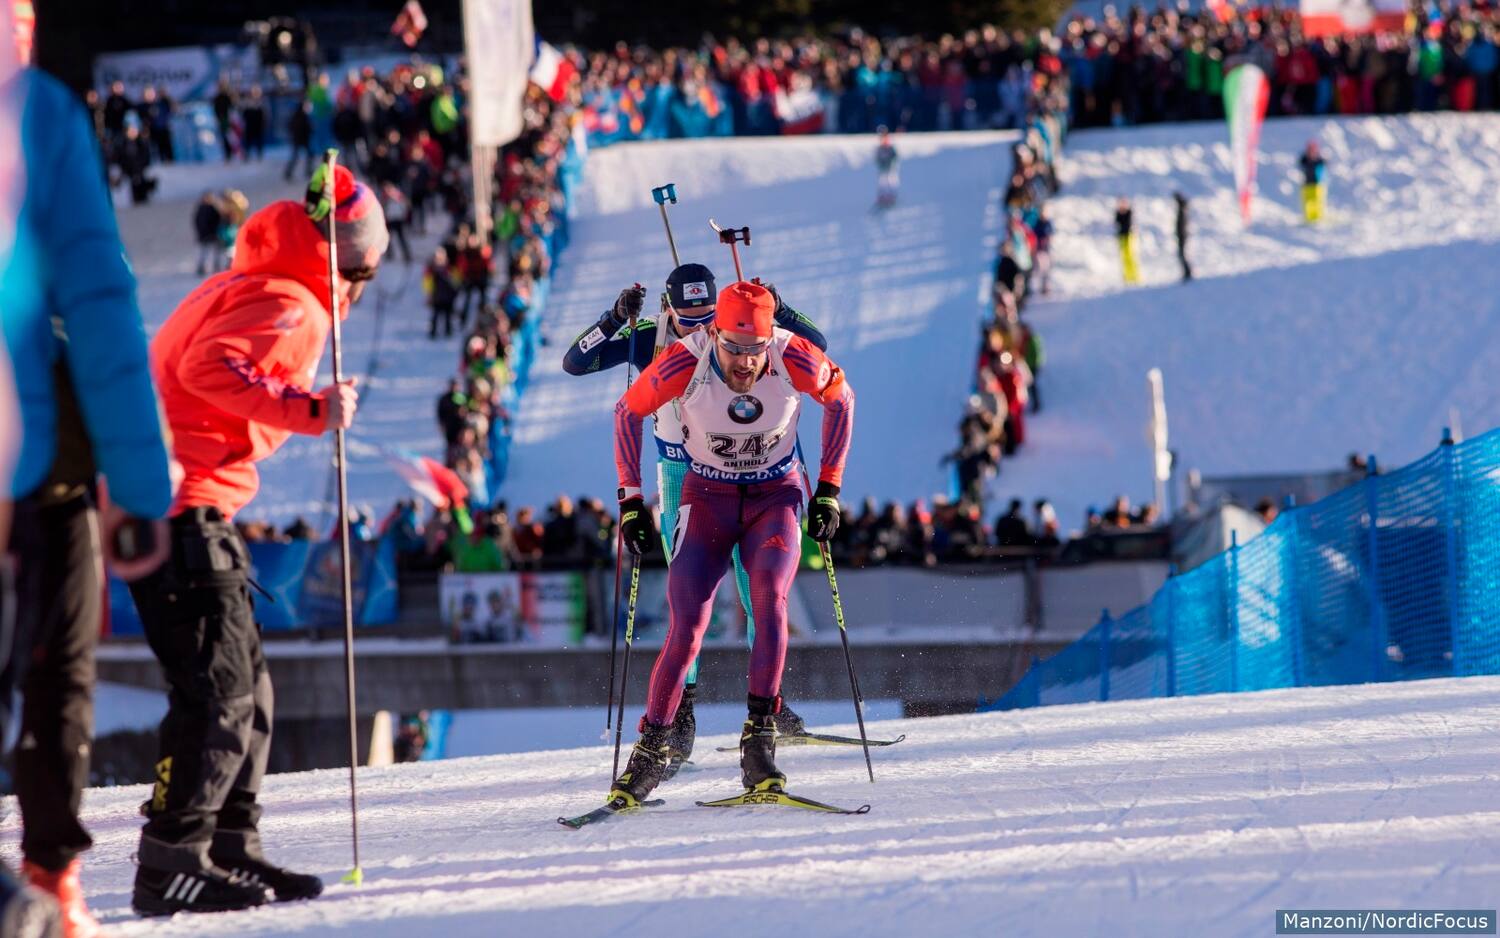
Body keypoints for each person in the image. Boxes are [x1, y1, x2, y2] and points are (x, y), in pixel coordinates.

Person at [126, 163, 387, 915]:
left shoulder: (253, 282)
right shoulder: (290, 300)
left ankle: (229, 840)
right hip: (179, 508)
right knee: (220, 692)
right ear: (349, 256)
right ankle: (173, 859)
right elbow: (209, 367)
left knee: (250, 689)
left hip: (184, 505)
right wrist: (312, 409)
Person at [3, 13, 177, 934]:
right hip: (41, 465)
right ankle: (50, 874)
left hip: (44, 458)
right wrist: (141, 489)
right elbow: (102, 306)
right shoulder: (38, 115)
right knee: (57, 676)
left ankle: (46, 876)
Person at [562, 263, 828, 771]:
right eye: (687, 319)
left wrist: (779, 308)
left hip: (744, 470)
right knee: (690, 603)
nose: (698, 328)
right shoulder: (650, 336)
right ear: (668, 310)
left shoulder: (732, 336)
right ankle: (681, 716)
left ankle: (769, 707)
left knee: (759, 591)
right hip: (679, 471)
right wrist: (613, 318)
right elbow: (576, 362)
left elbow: (818, 348)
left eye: (706, 316)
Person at [608, 281, 854, 807]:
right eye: (734, 349)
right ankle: (651, 752)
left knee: (769, 598)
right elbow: (627, 412)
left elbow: (842, 399)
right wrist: (630, 502)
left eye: (755, 349)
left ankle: (760, 742)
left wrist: (829, 490)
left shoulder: (791, 355)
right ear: (715, 334)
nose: (745, 363)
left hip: (774, 496)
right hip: (708, 497)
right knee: (687, 624)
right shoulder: (686, 359)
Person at [424, 246, 461, 338]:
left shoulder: (450, 269)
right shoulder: (432, 270)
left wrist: (452, 278)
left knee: (448, 316)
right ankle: (433, 332)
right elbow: (427, 283)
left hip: (448, 297)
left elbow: (457, 281)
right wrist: (429, 294)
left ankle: (448, 332)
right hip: (437, 297)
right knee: (435, 316)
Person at [284, 99, 315, 181]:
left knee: (308, 155)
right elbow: (295, 127)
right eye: (308, 106)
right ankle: (288, 173)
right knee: (296, 156)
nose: (309, 108)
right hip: (299, 139)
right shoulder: (300, 116)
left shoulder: (303, 115)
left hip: (302, 140)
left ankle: (307, 171)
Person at [193, 192, 223, 275]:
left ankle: (215, 267)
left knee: (214, 252)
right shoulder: (202, 209)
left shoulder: (213, 208)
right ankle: (202, 267)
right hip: (205, 234)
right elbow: (197, 222)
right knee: (204, 252)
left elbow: (219, 220)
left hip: (211, 234)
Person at [1300, 139, 1326, 223]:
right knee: (1308, 202)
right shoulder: (1305, 159)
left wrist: (1316, 157)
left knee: (1317, 201)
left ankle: (1317, 217)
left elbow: (1324, 164)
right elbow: (1301, 162)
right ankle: (1309, 218)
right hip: (1307, 184)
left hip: (1317, 184)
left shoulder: (1318, 160)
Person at [1115, 196, 1139, 284]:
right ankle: (1127, 276)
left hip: (1129, 236)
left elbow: (1128, 223)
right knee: (1124, 257)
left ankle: (1135, 276)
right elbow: (1117, 222)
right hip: (1121, 236)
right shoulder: (1118, 213)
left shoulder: (1129, 212)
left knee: (1131, 256)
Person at [874, 126, 899, 207]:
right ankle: (882, 197)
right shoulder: (879, 147)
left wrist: (890, 161)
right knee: (882, 182)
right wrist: (881, 162)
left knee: (890, 181)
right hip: (883, 168)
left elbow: (895, 157)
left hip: (890, 168)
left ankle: (891, 197)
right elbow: (877, 158)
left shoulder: (890, 146)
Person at [1173, 191, 1192, 281]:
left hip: (1182, 235)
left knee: (1182, 254)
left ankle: (1187, 272)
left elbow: (1181, 225)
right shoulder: (1182, 210)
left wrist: (1180, 234)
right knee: (1182, 255)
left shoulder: (1182, 211)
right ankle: (1187, 272)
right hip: (1182, 235)